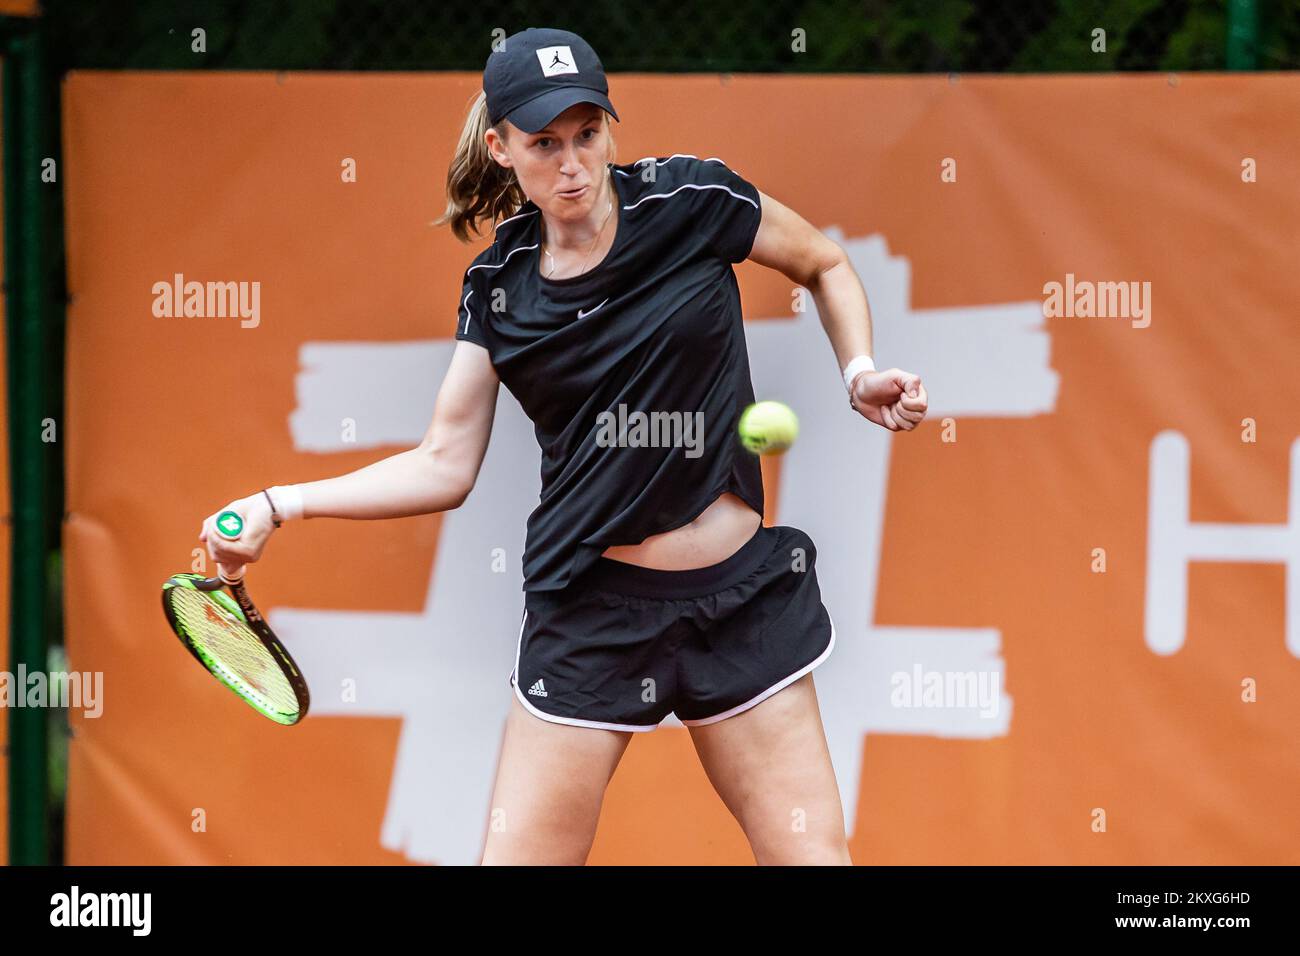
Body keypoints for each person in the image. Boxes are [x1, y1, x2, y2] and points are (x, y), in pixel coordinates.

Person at [200, 27, 927, 865]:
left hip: (740, 602)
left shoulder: (691, 201)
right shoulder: (499, 290)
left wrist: (859, 370)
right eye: (545, 143)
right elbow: (444, 462)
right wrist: (276, 503)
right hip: (590, 613)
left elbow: (824, 264)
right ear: (501, 147)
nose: (573, 162)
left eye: (588, 133)